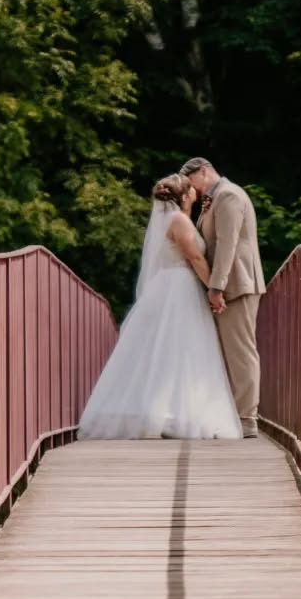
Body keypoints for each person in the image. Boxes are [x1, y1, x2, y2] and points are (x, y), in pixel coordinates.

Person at [77, 174, 242, 441]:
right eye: (190, 190)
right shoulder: (178, 220)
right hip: (180, 287)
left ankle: (166, 412)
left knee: (168, 350)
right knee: (185, 349)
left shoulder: (172, 219)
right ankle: (178, 414)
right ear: (184, 196)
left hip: (168, 286)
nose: (195, 192)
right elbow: (195, 257)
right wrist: (214, 290)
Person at [179, 157, 264, 438]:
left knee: (240, 353)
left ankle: (246, 420)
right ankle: (232, 417)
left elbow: (228, 244)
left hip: (237, 284)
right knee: (228, 353)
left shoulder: (229, 196)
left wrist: (216, 287)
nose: (191, 188)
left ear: (203, 171)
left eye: (191, 181)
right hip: (228, 284)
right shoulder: (215, 199)